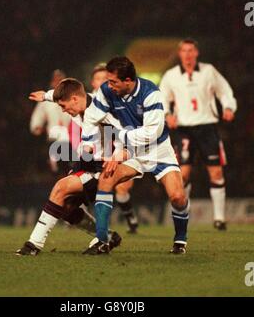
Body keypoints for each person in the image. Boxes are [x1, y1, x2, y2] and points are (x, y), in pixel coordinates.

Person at [80, 56, 190, 255]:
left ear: (128, 81)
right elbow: (91, 116)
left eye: (114, 81)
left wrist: (120, 141)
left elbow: (152, 133)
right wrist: (87, 144)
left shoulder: (151, 93)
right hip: (131, 150)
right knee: (106, 180)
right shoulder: (107, 90)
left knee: (178, 198)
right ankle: (102, 240)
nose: (109, 85)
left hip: (158, 150)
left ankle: (180, 240)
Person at [16, 78, 128, 256]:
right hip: (87, 162)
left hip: (102, 166)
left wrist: (116, 153)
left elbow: (123, 131)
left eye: (64, 106)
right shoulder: (79, 102)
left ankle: (33, 245)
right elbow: (63, 95)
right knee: (66, 207)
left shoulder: (100, 111)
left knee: (60, 188)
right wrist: (45, 96)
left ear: (75, 99)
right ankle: (107, 236)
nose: (63, 110)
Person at [159, 39, 237, 230]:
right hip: (183, 129)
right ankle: (183, 213)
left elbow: (224, 91)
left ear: (196, 53)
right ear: (179, 54)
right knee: (183, 174)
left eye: (191, 50)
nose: (187, 54)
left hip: (207, 127)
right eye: (184, 51)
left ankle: (219, 218)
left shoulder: (208, 71)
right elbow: (161, 98)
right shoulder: (171, 76)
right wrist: (167, 115)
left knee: (216, 172)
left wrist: (228, 107)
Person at [90, 63, 139, 234]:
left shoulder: (120, 100)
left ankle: (128, 218)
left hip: (122, 149)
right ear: (92, 83)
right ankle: (101, 229)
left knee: (121, 188)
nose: (104, 83)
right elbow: (70, 96)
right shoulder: (89, 102)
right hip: (97, 153)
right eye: (99, 79)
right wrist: (48, 96)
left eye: (107, 79)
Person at [30, 69, 72, 175]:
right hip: (53, 139)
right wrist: (37, 126)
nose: (58, 83)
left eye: (61, 80)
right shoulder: (45, 102)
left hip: (72, 139)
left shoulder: (72, 98)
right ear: (52, 82)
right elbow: (37, 116)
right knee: (57, 167)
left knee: (69, 166)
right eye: (56, 80)